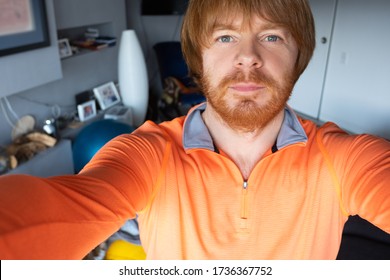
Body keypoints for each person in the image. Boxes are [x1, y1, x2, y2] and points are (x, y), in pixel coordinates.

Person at [0, 0, 389, 260]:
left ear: (297, 56)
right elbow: (54, 213)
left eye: (272, 36)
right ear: (198, 59)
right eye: (225, 37)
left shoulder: (343, 157)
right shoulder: (148, 153)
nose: (248, 58)